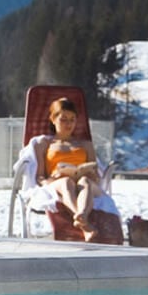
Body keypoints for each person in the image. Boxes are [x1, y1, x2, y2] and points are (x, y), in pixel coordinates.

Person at [33, 97, 104, 241]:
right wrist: (50, 179)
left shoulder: (86, 144)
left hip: (84, 183)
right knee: (66, 182)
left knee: (85, 181)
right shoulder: (44, 144)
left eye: (72, 119)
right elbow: (40, 177)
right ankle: (84, 222)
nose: (69, 124)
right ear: (53, 119)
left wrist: (91, 173)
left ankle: (82, 218)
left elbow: (95, 173)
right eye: (63, 119)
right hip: (58, 182)